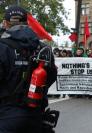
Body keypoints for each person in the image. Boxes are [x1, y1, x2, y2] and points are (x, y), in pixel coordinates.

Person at [0, 5, 57, 133]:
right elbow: (51, 76)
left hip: (6, 115)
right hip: (36, 115)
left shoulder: (2, 47)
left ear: (5, 23)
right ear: (26, 22)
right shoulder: (43, 48)